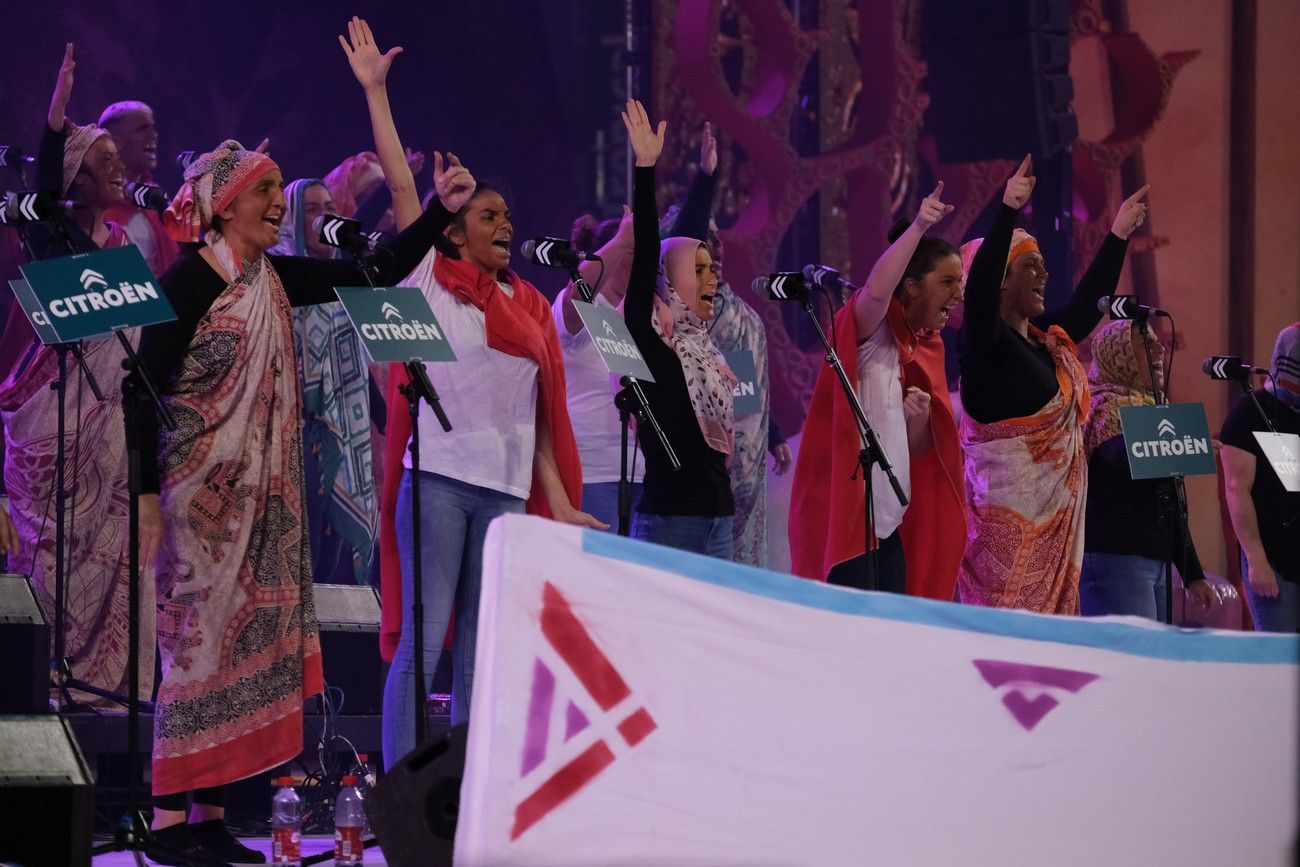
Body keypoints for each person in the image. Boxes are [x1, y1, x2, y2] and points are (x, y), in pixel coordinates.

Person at [133, 127, 461, 862]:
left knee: (239, 650)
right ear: (222, 204)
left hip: (264, 508)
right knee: (192, 651)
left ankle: (209, 817)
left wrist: (439, 211)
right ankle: (164, 823)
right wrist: (147, 496)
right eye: (262, 191)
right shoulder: (186, 282)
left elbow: (372, 272)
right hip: (196, 506)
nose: (277, 206)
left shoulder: (272, 281)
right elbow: (140, 390)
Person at [338, 17, 599, 765]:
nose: (505, 225)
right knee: (424, 645)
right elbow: (398, 183)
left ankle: (470, 792)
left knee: (486, 650)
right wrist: (377, 93)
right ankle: (397, 789)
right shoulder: (430, 278)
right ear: (452, 231)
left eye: (508, 216)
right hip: (441, 483)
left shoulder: (525, 306)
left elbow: (540, 421)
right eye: (489, 215)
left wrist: (558, 493)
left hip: (507, 493)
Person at [0, 42, 156, 713]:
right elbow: (38, 204)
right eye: (105, 162)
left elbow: (137, 359)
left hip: (113, 452)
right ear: (77, 181)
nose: (119, 168)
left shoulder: (127, 253)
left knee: (117, 579)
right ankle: (46, 705)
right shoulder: (50, 242)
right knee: (50, 580)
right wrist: (56, 121)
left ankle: (110, 708)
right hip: (46, 451)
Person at [956, 155, 1149, 614]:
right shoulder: (986, 349)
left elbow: (1086, 305)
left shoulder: (1047, 344)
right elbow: (979, 295)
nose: (1044, 276)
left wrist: (1118, 233)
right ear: (1000, 282)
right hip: (1007, 550)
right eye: (1031, 267)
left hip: (1053, 540)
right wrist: (1007, 210)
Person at [790, 183, 961, 595]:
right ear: (914, 286)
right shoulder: (870, 330)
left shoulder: (920, 347)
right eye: (948, 281)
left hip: (890, 526)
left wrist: (917, 422)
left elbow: (917, 452)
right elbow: (879, 291)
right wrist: (919, 225)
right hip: (853, 526)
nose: (959, 293)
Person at [661, 121, 791, 567]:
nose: (712, 247)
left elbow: (743, 388)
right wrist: (707, 177)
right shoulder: (684, 315)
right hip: (702, 479)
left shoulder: (738, 315)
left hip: (744, 477)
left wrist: (770, 435)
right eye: (701, 241)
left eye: (716, 240)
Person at [620, 99, 736, 557]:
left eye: (713, 268)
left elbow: (684, 244)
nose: (714, 277)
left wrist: (706, 181)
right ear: (672, 282)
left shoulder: (705, 350)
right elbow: (654, 252)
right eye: (701, 270)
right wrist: (646, 168)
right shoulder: (653, 345)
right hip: (670, 522)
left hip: (720, 519)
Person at [270, 178, 377, 586]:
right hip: (291, 436)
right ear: (292, 218)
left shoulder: (347, 277)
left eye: (330, 207)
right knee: (300, 556)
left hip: (340, 434)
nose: (325, 217)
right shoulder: (279, 271)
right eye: (312, 209)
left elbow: (356, 367)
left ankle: (323, 646)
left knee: (328, 567)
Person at [1080, 320, 1216, 620]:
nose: (1159, 350)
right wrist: (1179, 444)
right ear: (1119, 356)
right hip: (1115, 558)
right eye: (1145, 344)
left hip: (1157, 560)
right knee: (1129, 660)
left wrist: (1192, 572)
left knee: (1153, 659)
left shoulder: (1155, 410)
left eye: (1157, 342)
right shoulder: (1102, 408)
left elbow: (1171, 502)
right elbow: (1127, 461)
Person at [552, 206, 645, 531]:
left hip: (641, 472)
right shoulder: (579, 312)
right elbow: (580, 292)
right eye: (639, 250)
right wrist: (621, 240)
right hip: (592, 473)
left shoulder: (640, 319)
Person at [1220, 323, 1300, 632]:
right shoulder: (1249, 413)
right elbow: (1236, 490)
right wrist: (1256, 560)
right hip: (1273, 559)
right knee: (1278, 658)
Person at [99, 99, 180, 274]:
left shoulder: (156, 196)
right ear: (113, 141)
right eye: (142, 129)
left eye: (152, 127)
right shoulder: (99, 206)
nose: (154, 135)